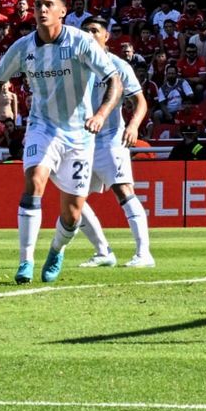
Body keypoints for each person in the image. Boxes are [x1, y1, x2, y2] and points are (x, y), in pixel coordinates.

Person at [0, 0, 122, 285]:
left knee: (72, 213)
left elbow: (114, 81)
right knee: (34, 181)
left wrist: (100, 116)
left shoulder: (81, 42)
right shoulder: (23, 47)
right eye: (37, 5)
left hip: (80, 135)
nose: (41, 10)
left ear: (62, 11)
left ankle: (56, 250)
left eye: (48, 5)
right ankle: (25, 260)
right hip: (42, 127)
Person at [74, 17, 155, 269]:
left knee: (123, 191)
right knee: (73, 198)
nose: (89, 35)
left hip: (110, 139)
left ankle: (144, 253)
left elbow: (140, 101)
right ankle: (103, 252)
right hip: (83, 142)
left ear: (106, 36)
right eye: (85, 31)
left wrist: (133, 126)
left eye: (94, 31)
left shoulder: (118, 65)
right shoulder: (76, 66)